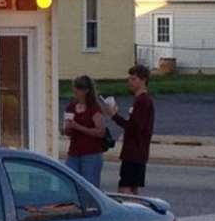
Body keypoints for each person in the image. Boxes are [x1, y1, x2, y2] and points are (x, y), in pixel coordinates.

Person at [104, 64, 155, 194]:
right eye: (129, 79)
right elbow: (133, 123)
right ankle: (138, 212)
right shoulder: (139, 100)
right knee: (133, 188)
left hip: (135, 151)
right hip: (135, 152)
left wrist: (114, 116)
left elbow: (135, 127)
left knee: (125, 188)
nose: (130, 82)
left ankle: (131, 213)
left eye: (134, 79)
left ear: (143, 80)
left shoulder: (143, 101)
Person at [63, 74, 108, 187]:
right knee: (70, 183)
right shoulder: (71, 107)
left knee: (89, 186)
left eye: (79, 88)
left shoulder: (93, 108)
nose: (76, 91)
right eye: (75, 88)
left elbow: (101, 132)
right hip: (74, 152)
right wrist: (67, 129)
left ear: (86, 91)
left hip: (91, 153)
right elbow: (68, 130)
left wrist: (79, 127)